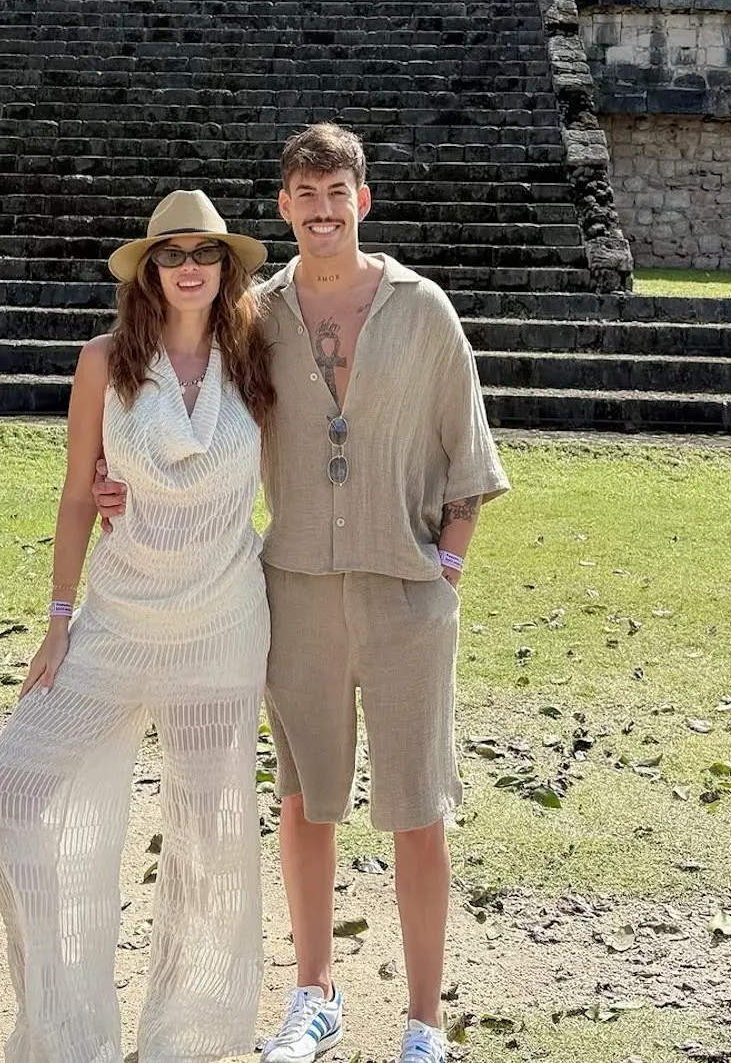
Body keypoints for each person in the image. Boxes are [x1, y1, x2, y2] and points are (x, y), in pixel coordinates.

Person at [95, 125, 510, 1063]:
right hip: (293, 597)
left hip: (407, 596)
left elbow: (469, 457)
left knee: (415, 809)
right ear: (282, 207)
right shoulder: (259, 316)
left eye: (337, 194)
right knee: (304, 801)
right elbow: (181, 392)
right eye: (304, 195)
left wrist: (446, 568)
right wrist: (120, 479)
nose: (322, 210)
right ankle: (314, 995)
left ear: (362, 200)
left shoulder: (424, 309)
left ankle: (423, 1022)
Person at [0, 188, 275, 1063]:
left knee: (208, 832)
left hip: (221, 621)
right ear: (148, 271)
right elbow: (77, 494)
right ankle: (66, 1030)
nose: (188, 267)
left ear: (226, 271)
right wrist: (58, 620)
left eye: (205, 254)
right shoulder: (104, 361)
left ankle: (188, 1035)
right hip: (114, 617)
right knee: (5, 790)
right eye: (171, 254)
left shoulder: (255, 356)